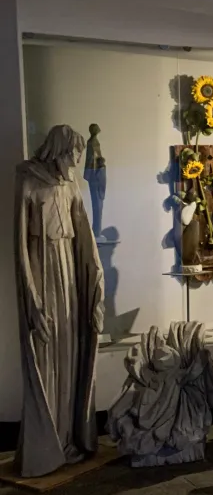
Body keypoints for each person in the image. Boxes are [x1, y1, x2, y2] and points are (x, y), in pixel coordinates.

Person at [14, 125, 104, 477]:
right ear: (58, 151)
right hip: (44, 275)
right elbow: (21, 246)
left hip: (69, 279)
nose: (76, 161)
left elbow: (85, 237)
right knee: (48, 359)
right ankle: (47, 446)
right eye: (73, 154)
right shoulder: (28, 180)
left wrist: (95, 284)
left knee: (70, 356)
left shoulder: (70, 186)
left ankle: (68, 439)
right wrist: (32, 298)